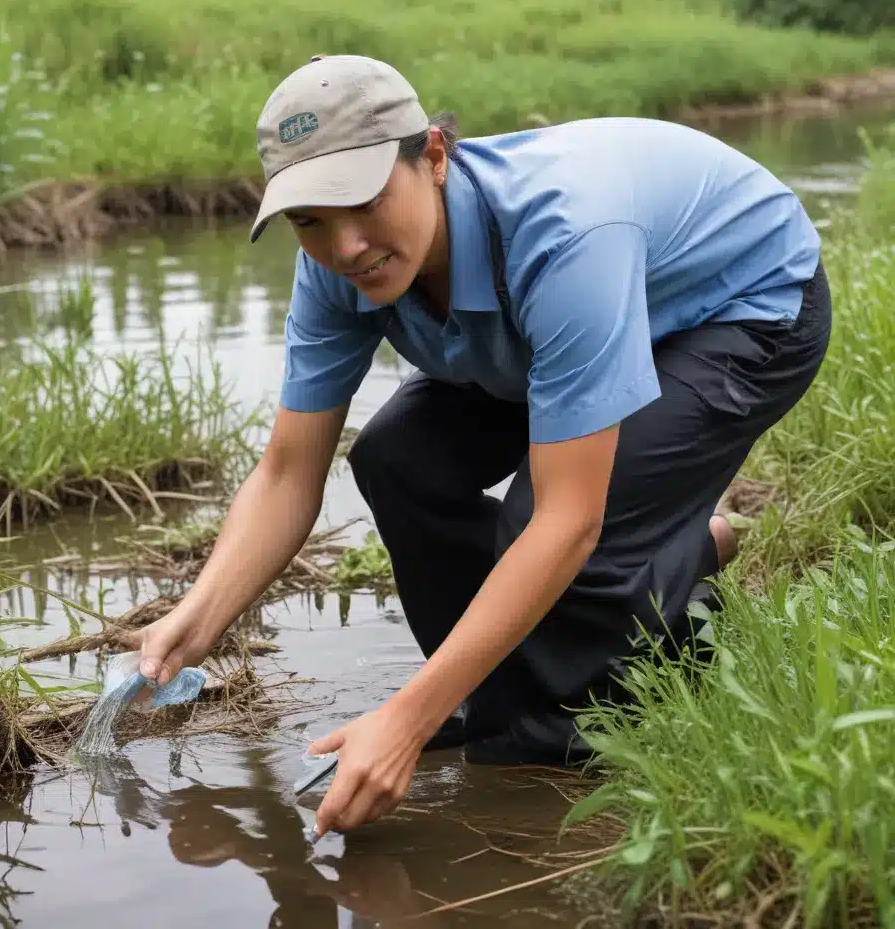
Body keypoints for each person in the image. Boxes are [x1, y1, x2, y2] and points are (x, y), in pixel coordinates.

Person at [138, 54, 832, 841]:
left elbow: (567, 523)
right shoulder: (336, 263)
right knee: (396, 458)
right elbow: (288, 474)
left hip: (741, 308)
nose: (348, 245)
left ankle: (632, 634)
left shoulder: (563, 232)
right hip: (552, 333)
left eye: (362, 201)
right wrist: (197, 618)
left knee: (563, 550)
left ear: (433, 156)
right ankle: (509, 673)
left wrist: (404, 718)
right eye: (310, 221)